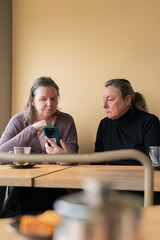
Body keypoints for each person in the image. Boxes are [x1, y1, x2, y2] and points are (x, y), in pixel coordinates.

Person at [0, 76, 79, 215]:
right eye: (43, 99)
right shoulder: (18, 121)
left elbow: (73, 156)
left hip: (58, 184)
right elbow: (1, 155)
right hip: (25, 186)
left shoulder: (66, 121)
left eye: (53, 98)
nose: (50, 103)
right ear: (32, 101)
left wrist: (64, 158)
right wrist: (32, 129)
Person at [94, 78, 160, 165]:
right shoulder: (104, 124)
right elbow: (97, 163)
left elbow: (156, 164)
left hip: (143, 177)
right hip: (110, 177)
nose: (104, 105)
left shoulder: (149, 122)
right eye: (103, 99)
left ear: (127, 100)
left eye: (110, 100)